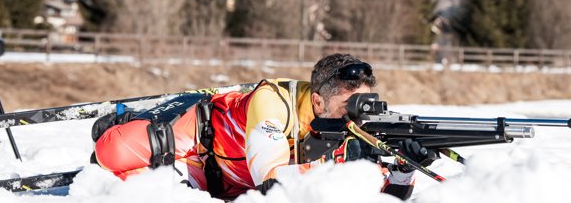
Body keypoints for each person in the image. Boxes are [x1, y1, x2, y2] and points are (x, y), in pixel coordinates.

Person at [92, 54, 437, 200]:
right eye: (352, 107)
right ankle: (128, 125)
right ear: (318, 102)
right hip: (198, 149)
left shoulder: (351, 134)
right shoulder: (273, 102)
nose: (358, 118)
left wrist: (404, 168)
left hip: (232, 191)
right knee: (112, 153)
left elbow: (381, 198)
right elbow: (270, 181)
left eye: (364, 106)